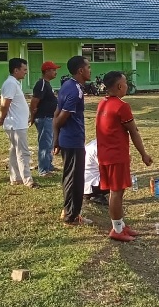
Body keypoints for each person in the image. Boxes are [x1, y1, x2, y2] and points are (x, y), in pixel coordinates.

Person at [96, 71, 153, 242]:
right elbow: (134, 132)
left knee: (117, 191)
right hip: (116, 156)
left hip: (105, 154)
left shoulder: (102, 103)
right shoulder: (122, 106)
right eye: (126, 83)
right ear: (119, 86)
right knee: (116, 192)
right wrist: (144, 154)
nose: (127, 86)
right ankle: (117, 229)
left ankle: (120, 224)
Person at [54, 55, 92, 226]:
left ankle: (68, 210)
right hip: (72, 140)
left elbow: (56, 113)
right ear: (80, 70)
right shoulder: (75, 90)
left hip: (67, 139)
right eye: (88, 67)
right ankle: (72, 216)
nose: (90, 70)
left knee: (69, 176)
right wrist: (57, 137)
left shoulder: (66, 86)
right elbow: (60, 118)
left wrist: (56, 139)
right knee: (75, 179)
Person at [0, 58, 37, 188]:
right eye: (24, 70)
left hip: (17, 123)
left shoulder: (14, 83)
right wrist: (1, 118)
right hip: (15, 124)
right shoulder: (11, 84)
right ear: (16, 70)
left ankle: (16, 178)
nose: (26, 72)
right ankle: (27, 180)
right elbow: (5, 104)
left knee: (15, 151)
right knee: (23, 152)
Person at [29, 61, 60, 177]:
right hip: (44, 118)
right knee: (45, 144)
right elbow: (34, 102)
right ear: (47, 71)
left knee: (50, 143)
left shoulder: (47, 84)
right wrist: (32, 117)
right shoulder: (41, 84)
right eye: (53, 70)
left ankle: (48, 165)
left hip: (49, 117)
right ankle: (43, 170)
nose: (55, 72)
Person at [83, 139, 109, 205]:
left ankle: (94, 194)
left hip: (83, 183)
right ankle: (94, 195)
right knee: (119, 178)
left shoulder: (94, 143)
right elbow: (106, 169)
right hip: (90, 185)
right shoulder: (99, 148)